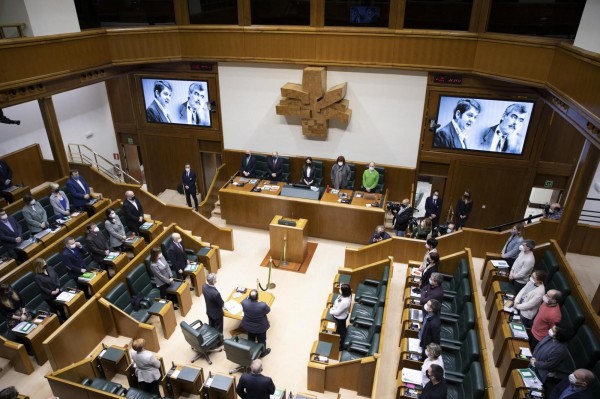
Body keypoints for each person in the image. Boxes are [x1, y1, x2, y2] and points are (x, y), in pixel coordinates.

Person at [241, 289, 271, 357]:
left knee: (251, 339)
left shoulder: (244, 303)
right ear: (257, 297)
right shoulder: (262, 305)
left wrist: (248, 297)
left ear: (249, 297)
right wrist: (263, 303)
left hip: (248, 326)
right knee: (262, 340)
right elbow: (268, 310)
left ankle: (251, 351)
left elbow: (244, 300)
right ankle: (262, 353)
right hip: (260, 328)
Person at [329, 283, 352, 350]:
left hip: (340, 318)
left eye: (340, 289)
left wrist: (331, 311)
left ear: (344, 292)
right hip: (340, 313)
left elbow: (337, 313)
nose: (339, 289)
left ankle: (342, 345)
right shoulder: (345, 294)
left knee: (342, 331)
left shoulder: (345, 302)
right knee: (341, 329)